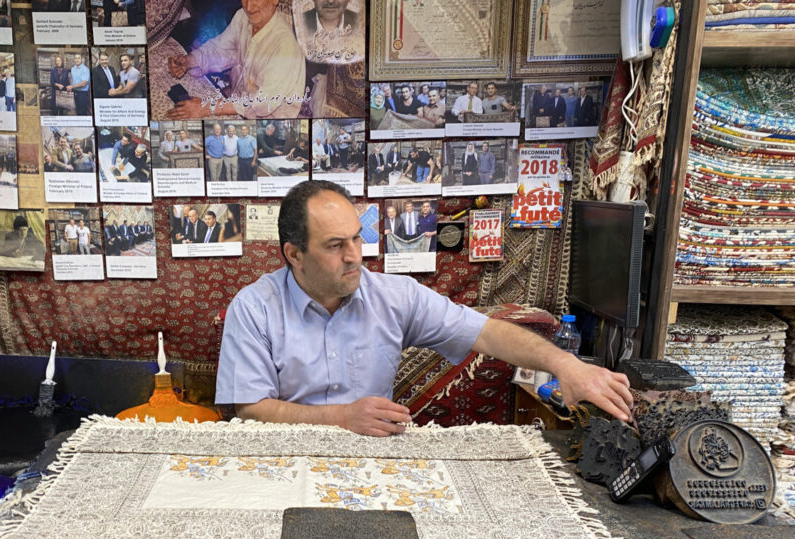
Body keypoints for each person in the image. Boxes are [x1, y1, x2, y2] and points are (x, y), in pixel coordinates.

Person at [214, 180, 633, 435]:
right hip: (283, 459)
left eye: (357, 239)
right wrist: (341, 418)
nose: (355, 256)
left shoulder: (395, 296)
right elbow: (252, 409)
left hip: (374, 456)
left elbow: (485, 331)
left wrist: (567, 366)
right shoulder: (254, 308)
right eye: (335, 245)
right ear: (294, 254)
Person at [165, 0, 306, 119]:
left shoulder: (285, 46)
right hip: (235, 98)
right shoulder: (243, 17)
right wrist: (189, 61)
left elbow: (262, 103)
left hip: (265, 121)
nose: (248, 7)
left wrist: (209, 107)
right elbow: (221, 49)